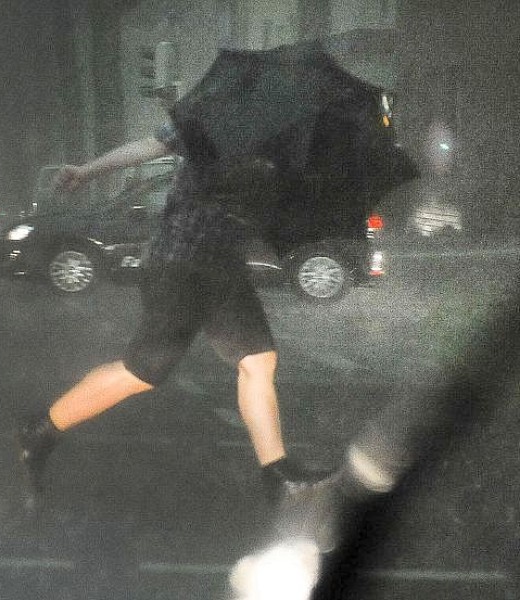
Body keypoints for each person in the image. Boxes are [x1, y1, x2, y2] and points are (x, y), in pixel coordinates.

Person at [18, 122, 327, 500]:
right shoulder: (213, 116)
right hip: (180, 262)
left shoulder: (280, 143)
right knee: (143, 370)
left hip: (223, 266)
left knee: (258, 359)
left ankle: (277, 475)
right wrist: (87, 171)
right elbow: (149, 146)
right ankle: (42, 431)